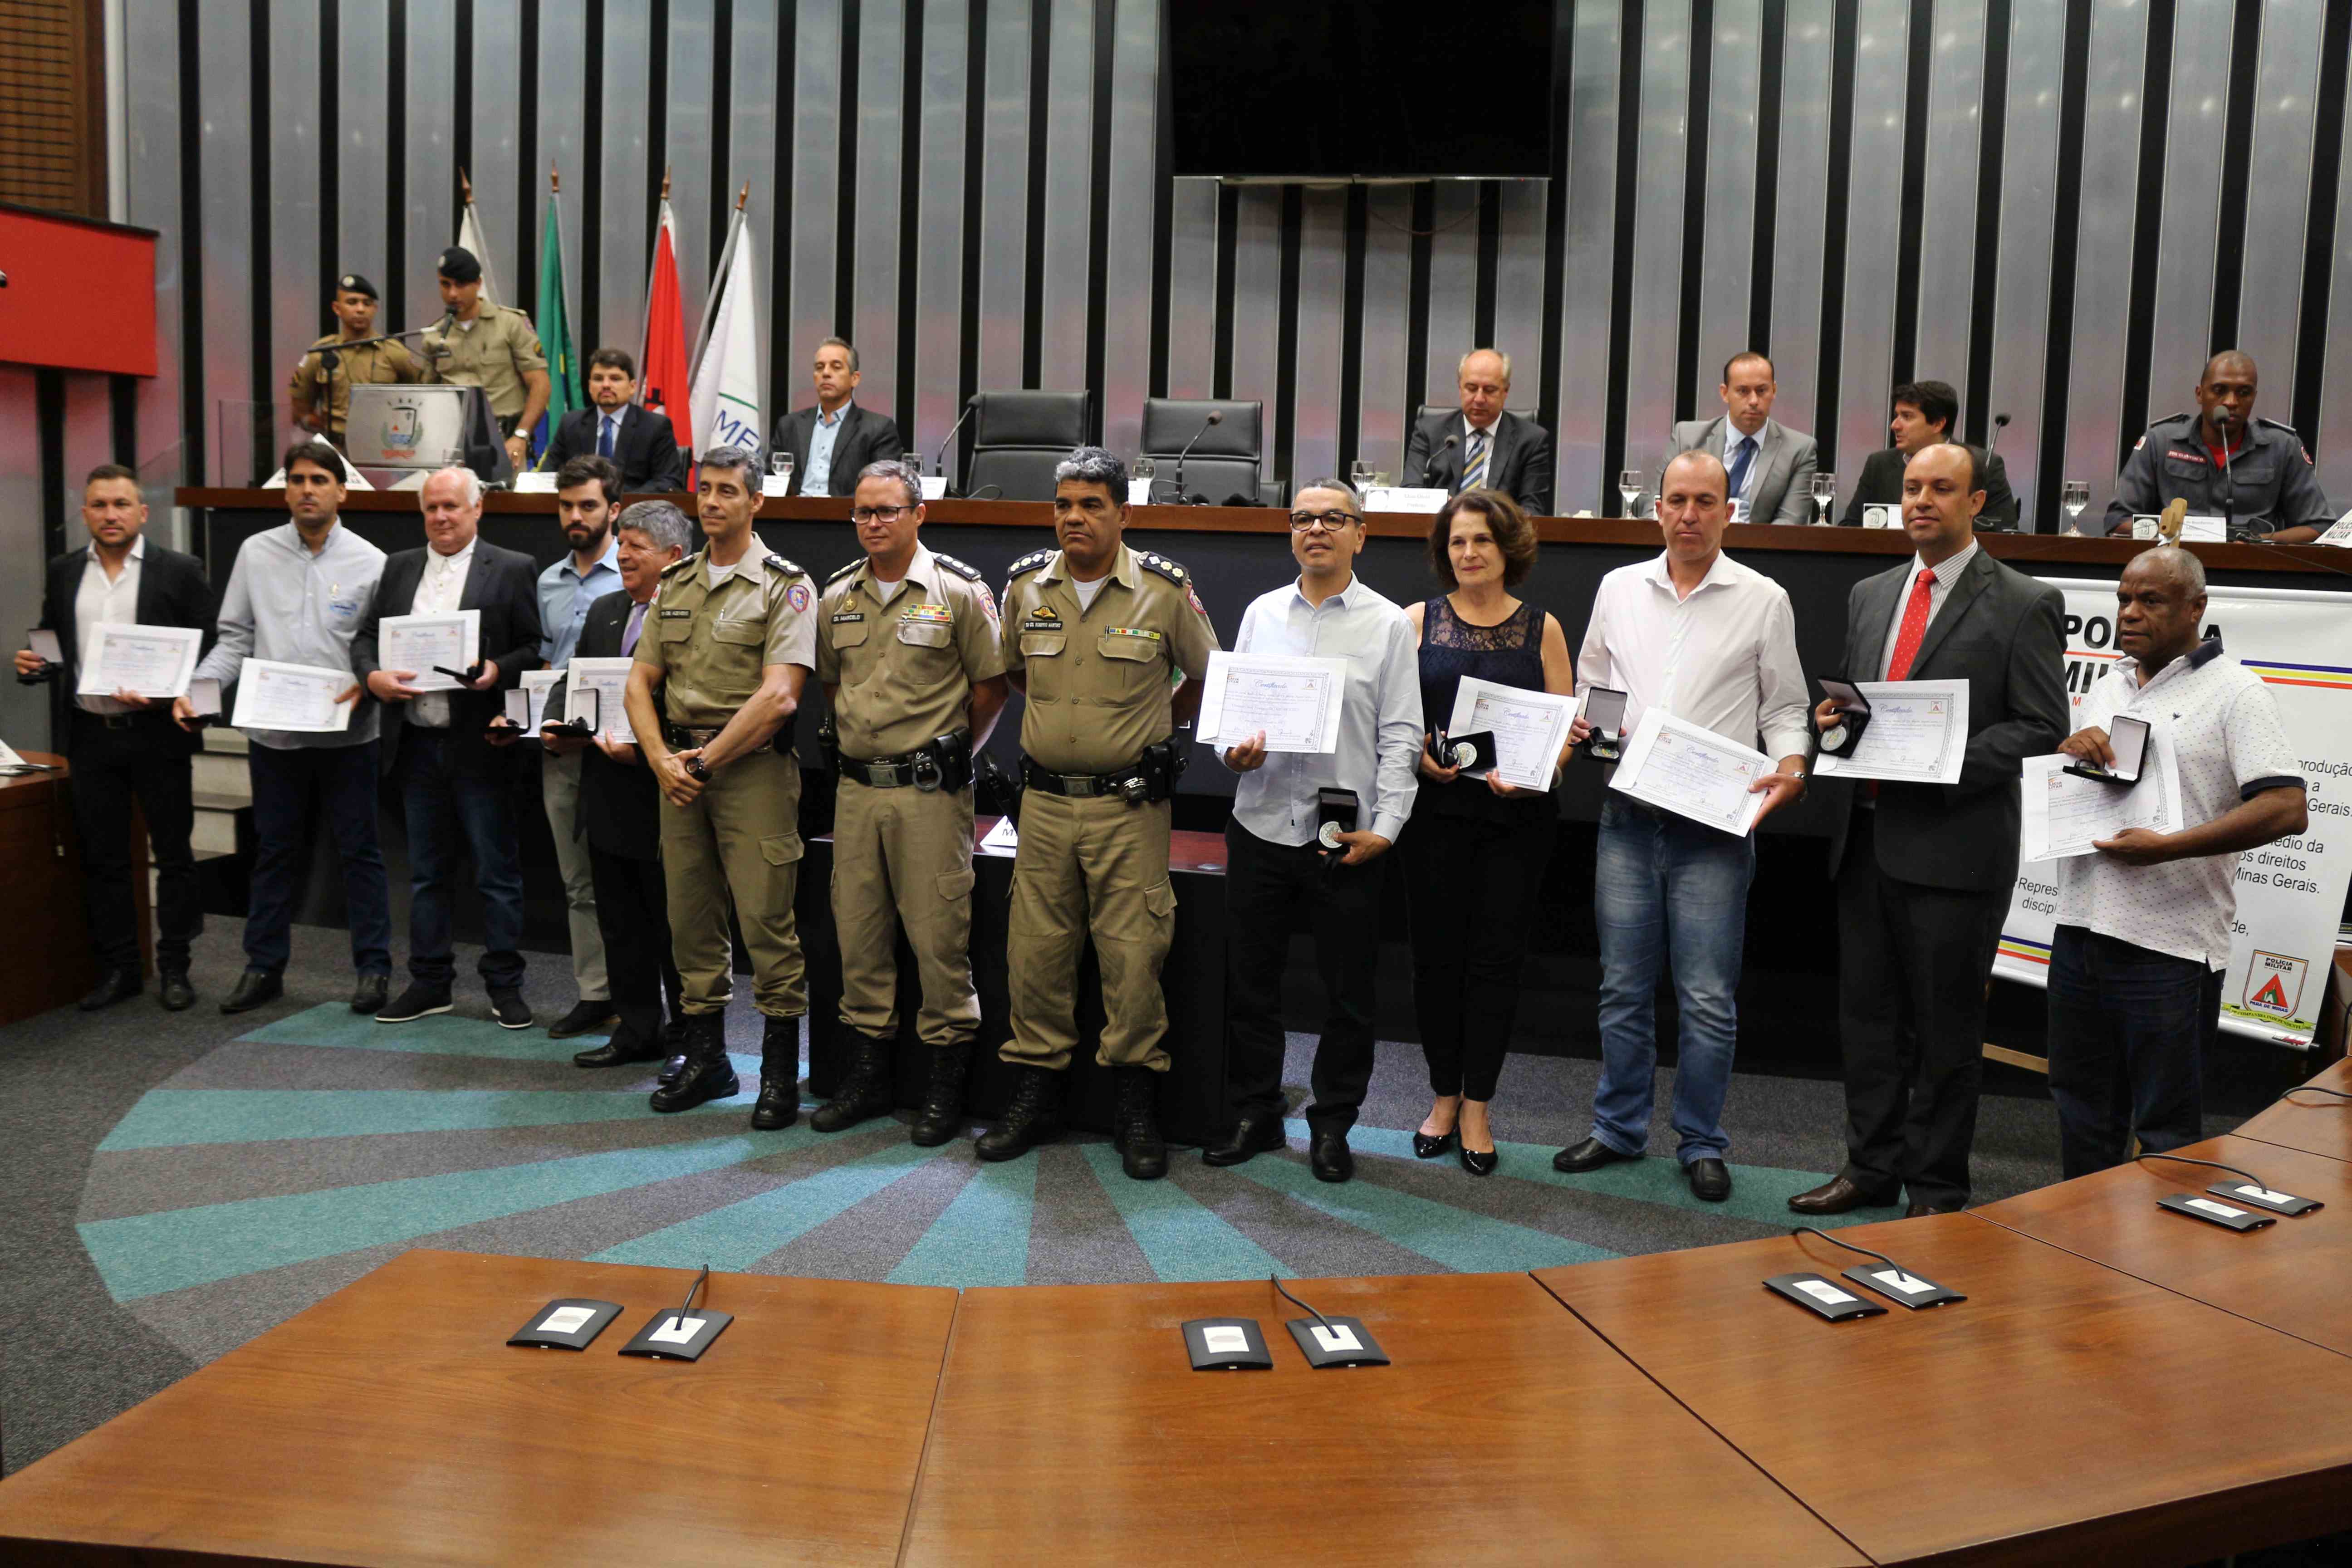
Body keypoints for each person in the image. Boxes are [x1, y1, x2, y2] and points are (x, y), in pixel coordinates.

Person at [1790, 441, 2067, 1218]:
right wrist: (1831, 720)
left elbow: (2043, 725)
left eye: (1941, 488)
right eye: (1912, 487)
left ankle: (1938, 1188)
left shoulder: (2023, 600)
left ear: (1975, 502)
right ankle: (1869, 1168)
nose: (1920, 501)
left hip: (1956, 850)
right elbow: (1860, 707)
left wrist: (1941, 761)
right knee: (1868, 1025)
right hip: (1863, 841)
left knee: (1946, 1034)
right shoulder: (1870, 593)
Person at [1550, 451, 1812, 1202]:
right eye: (1676, 500)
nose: (1689, 514)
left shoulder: (1763, 598)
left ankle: (1700, 1141)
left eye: (1704, 501)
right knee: (1622, 988)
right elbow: (1593, 683)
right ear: (1657, 508)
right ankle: (1618, 1128)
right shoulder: (1617, 587)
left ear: (1729, 512)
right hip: (1627, 816)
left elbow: (1785, 707)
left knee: (1704, 998)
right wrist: (1590, 725)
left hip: (1714, 827)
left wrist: (1793, 767)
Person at [985, 446, 1219, 1178]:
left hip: (1127, 808)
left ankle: (1134, 1105)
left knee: (1132, 957)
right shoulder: (1025, 586)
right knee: (1035, 955)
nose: (1074, 518)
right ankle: (1034, 1093)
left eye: (1091, 505)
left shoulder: (1163, 589)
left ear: (1124, 514)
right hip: (1044, 806)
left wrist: (1155, 724)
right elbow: (1014, 672)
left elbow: (1208, 673)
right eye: (1063, 505)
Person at [2045, 548, 2307, 1175]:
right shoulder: (2108, 683)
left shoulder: (2237, 692)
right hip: (2080, 930)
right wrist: (2072, 750)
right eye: (2123, 599)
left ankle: (2157, 1243)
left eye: (2151, 601)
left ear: (2196, 609)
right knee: (2082, 1112)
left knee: (2166, 1131)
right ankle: (2081, 1234)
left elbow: (2287, 807)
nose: (2130, 613)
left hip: (2169, 948)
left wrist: (2169, 848)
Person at [1203, 479, 1420, 1182]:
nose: (1317, 529)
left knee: (1349, 997)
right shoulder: (1261, 614)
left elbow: (1401, 735)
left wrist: (1388, 828)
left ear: (1361, 534)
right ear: (1290, 531)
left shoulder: (1388, 625)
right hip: (1262, 823)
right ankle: (1256, 1113)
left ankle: (1332, 1126)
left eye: (1333, 518)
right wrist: (1230, 752)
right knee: (1251, 986)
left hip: (1347, 839)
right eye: (1303, 518)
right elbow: (1230, 717)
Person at [809, 459, 1009, 1141]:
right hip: (857, 792)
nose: (874, 523)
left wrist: (953, 756)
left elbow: (992, 687)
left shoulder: (959, 591)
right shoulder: (838, 596)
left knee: (938, 940)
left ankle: (944, 1090)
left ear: (919, 514)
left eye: (888, 510)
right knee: (859, 936)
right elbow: (833, 686)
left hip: (930, 795)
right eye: (863, 512)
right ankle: (868, 1081)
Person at [624, 445, 819, 1127]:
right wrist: (661, 760)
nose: (711, 501)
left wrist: (702, 764)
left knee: (767, 924)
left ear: (756, 501)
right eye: (704, 489)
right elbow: (639, 682)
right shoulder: (675, 583)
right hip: (679, 773)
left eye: (727, 491)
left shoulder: (785, 585)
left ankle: (778, 1075)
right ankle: (707, 1061)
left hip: (750, 772)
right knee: (690, 922)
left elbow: (781, 697)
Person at [180, 440, 393, 1016]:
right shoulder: (256, 553)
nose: (307, 490)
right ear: (286, 490)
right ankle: (263, 967)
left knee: (361, 854)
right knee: (274, 852)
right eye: (297, 480)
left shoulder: (372, 562)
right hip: (275, 737)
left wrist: (369, 681)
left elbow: (379, 648)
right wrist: (197, 691)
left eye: (319, 480)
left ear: (342, 491)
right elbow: (235, 640)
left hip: (350, 735)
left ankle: (374, 970)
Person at [1399, 490, 1576, 1175]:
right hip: (1434, 816)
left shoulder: (1543, 629)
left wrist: (1538, 774)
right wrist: (1418, 755)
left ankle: (1478, 1105)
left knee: (1496, 963)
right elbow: (1395, 718)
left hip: (1516, 820)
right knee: (1435, 960)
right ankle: (1443, 1096)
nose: (1469, 553)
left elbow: (1565, 733)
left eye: (1482, 540)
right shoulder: (1417, 621)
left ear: (1509, 549)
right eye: (1457, 542)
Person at [17, 466, 214, 1011]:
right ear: (85, 513)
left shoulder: (179, 570)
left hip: (157, 734)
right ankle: (121, 969)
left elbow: (211, 648)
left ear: (142, 513)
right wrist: (35, 664)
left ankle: (175, 968)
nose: (111, 515)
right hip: (90, 736)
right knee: (103, 858)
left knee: (173, 856)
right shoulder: (64, 571)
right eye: (100, 505)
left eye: (121, 504)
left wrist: (176, 698)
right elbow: (54, 642)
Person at [353, 467, 544, 1027]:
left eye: (451, 507)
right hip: (415, 743)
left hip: (481, 744)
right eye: (432, 508)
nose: (440, 517)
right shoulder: (399, 567)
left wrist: (496, 670)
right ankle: (430, 983)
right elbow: (365, 639)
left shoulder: (512, 568)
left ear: (477, 508)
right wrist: (372, 677)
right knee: (426, 875)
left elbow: (533, 647)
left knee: (496, 874)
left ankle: (505, 986)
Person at [537, 500, 694, 1073]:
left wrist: (651, 747)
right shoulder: (607, 609)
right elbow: (573, 678)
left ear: (673, 557)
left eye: (635, 547)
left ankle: (688, 1039)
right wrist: (553, 724)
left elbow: (701, 699)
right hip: (605, 787)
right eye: (621, 543)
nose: (622, 555)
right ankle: (637, 1030)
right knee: (621, 921)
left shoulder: (694, 612)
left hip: (668, 791)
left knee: (676, 927)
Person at [532, 454, 627, 1040]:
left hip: (623, 748)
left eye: (587, 505)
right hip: (564, 747)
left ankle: (643, 999)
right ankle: (595, 993)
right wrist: (533, 720)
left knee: (634, 881)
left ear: (613, 510)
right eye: (566, 506)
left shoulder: (636, 569)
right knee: (577, 882)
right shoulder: (548, 580)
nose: (575, 516)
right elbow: (548, 664)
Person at [2101, 351, 2333, 543]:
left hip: (2254, 567)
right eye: (2220, 390)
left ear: (2254, 397)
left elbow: (2318, 526)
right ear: (2200, 394)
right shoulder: (2161, 441)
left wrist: (2260, 541)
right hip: (2171, 564)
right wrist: (2172, 533)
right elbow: (2118, 520)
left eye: (2244, 393)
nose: (2231, 402)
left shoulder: (2282, 447)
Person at [420, 245, 549, 474]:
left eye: (461, 285)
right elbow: (428, 395)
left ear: (478, 284)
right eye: (446, 285)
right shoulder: (435, 336)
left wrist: (521, 436)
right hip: (451, 443)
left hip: (505, 441)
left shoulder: (510, 324)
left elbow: (540, 384)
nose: (453, 294)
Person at [1658, 352, 1819, 525]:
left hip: (1760, 542)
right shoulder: (1687, 438)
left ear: (1774, 391)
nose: (1754, 401)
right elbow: (1658, 505)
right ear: (1725, 393)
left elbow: (1790, 522)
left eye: (1762, 391)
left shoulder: (1799, 450)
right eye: (1743, 391)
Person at [1838, 380, 2020, 530]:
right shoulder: (1879, 464)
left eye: (1907, 417)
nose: (1895, 425)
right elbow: (1850, 527)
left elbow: (2005, 533)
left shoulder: (1984, 464)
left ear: (1938, 424)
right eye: (1897, 416)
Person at [1402, 348, 1556, 516]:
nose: (1479, 399)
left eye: (1489, 390)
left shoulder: (1531, 440)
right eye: (1471, 388)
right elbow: (1410, 493)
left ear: (1505, 391)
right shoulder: (1429, 432)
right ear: (1460, 388)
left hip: (1499, 530)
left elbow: (1532, 510)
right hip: (1439, 528)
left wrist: (1490, 519)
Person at [287, 274, 422, 446]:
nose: (360, 309)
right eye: (352, 302)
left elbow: (421, 399)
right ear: (337, 308)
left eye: (367, 304)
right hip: (335, 447)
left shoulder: (394, 353)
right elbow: (300, 410)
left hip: (384, 446)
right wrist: (328, 430)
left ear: (375, 309)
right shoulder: (321, 354)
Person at [769, 337, 904, 497]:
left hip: (847, 512)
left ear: (855, 379)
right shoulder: (789, 426)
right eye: (820, 367)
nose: (826, 373)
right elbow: (770, 480)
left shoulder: (878, 429)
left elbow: (883, 488)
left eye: (836, 367)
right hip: (792, 511)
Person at [540, 348, 689, 493]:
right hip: (582, 505)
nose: (606, 385)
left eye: (615, 379)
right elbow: (547, 475)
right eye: (598, 379)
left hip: (633, 507)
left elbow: (668, 482)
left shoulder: (656, 426)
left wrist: (620, 503)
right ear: (590, 386)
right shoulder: (571, 424)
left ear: (632, 387)